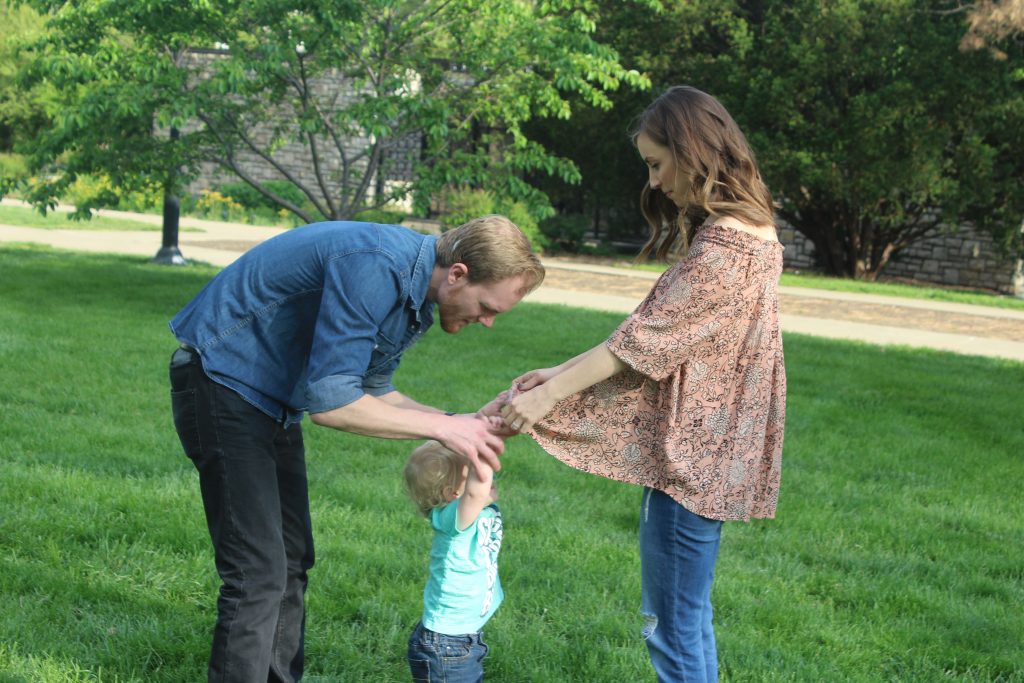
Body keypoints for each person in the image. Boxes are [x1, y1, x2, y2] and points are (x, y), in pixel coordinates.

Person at [167, 215, 543, 683]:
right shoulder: (375, 265)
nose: (486, 322)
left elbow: (369, 389)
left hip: (269, 398)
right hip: (222, 382)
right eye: (487, 307)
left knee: (292, 558)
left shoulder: (415, 291)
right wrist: (447, 432)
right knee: (258, 571)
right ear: (458, 274)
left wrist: (460, 423)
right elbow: (332, 405)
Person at [498, 86, 787, 683]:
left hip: (692, 461)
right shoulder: (754, 230)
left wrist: (548, 395)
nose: (653, 183)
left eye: (657, 164)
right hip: (711, 455)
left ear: (694, 150)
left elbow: (640, 346)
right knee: (688, 618)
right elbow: (654, 333)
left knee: (672, 626)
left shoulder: (727, 246)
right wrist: (557, 373)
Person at [403, 439, 504, 683]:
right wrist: (482, 447)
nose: (487, 481)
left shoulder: (464, 513)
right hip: (447, 645)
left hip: (458, 639)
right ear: (454, 494)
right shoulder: (452, 521)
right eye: (472, 475)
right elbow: (476, 492)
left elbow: (476, 493)